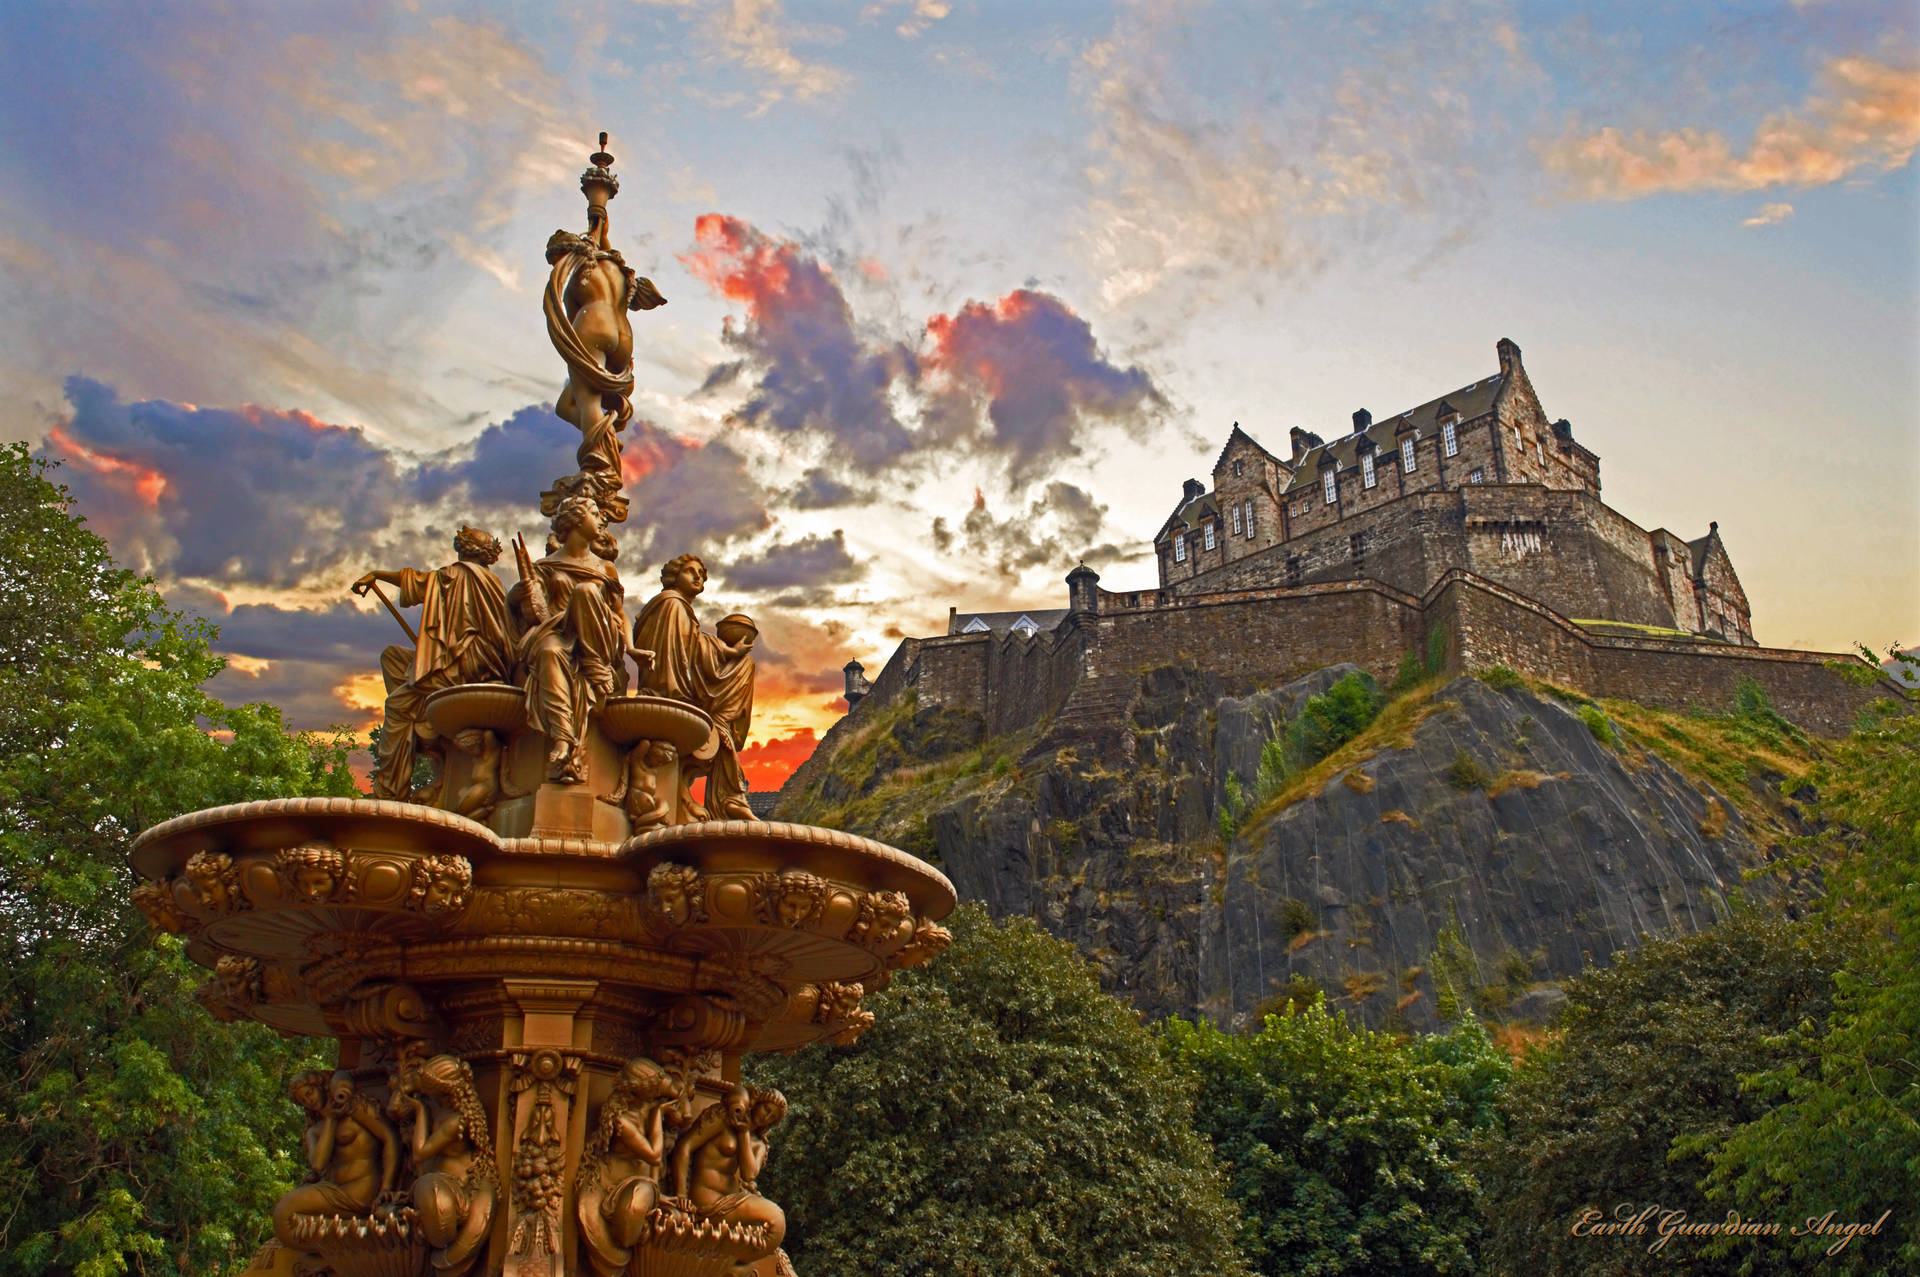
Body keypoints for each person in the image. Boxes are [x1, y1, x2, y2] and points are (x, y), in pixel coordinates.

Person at [353, 527, 513, 800]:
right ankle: (422, 718)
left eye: (465, 536)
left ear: (466, 548)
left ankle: (390, 792)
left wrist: (378, 574)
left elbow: (417, 582)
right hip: (475, 661)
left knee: (397, 706)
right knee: (394, 657)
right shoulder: (491, 581)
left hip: (461, 664)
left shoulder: (457, 574)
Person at [630, 555, 757, 819]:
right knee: (742, 665)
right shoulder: (671, 605)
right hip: (668, 687)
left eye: (701, 574)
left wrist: (730, 651)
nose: (698, 577)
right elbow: (691, 645)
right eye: (691, 572)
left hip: (684, 683)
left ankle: (723, 737)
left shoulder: (680, 610)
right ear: (675, 576)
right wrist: (729, 651)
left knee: (745, 665)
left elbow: (695, 642)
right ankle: (727, 794)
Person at [513, 496, 628, 783]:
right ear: (575, 519)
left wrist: (633, 648)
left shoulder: (605, 568)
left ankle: (592, 663)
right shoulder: (545, 566)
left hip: (600, 640)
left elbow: (618, 613)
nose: (601, 519)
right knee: (549, 652)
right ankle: (563, 737)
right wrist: (522, 592)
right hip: (559, 633)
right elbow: (533, 610)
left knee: (586, 591)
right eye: (594, 513)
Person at [271, 1071, 400, 1249]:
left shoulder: (355, 1109)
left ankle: (352, 1235)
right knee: (284, 1218)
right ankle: (356, 1233)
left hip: (362, 1189)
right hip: (333, 1190)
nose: (308, 1101)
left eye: (309, 1093)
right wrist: (331, 1119)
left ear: (321, 1087)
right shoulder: (315, 1131)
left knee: (285, 1211)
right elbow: (318, 1164)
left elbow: (390, 1138)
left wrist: (386, 1188)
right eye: (303, 1101)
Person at [392, 1055, 494, 1277]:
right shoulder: (439, 1108)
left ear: (442, 1091)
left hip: (453, 1193)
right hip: (431, 1185)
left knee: (432, 1193)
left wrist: (419, 1110)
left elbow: (420, 1153)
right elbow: (396, 1106)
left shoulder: (456, 1121)